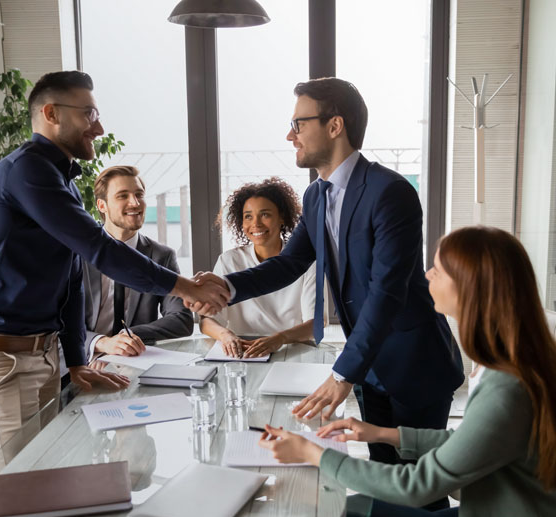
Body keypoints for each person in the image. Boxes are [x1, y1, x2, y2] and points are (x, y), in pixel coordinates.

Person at [193, 78, 464, 471]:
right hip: (370, 367)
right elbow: (289, 263)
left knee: (422, 490)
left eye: (299, 124)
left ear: (335, 126)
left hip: (413, 365)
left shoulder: (390, 191)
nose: (291, 135)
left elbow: (386, 293)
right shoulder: (316, 196)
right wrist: (225, 287)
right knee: (383, 477)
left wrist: (342, 374)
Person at [0, 70, 227, 459]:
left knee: (49, 475)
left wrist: (77, 361)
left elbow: (69, 279)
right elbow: (100, 248)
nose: (98, 128)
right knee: (17, 492)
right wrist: (187, 288)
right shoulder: (28, 171)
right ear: (51, 113)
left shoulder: (59, 179)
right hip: (4, 361)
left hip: (42, 356)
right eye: (89, 114)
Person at [257, 226, 556, 517]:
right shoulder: (516, 363)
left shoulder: (508, 387)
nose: (427, 275)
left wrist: (312, 453)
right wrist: (382, 433)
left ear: (471, 288)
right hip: (499, 512)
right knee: (351, 510)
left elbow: (415, 486)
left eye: (438, 270)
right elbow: (467, 446)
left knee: (345, 516)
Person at [82, 165, 193, 369]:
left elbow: (181, 319)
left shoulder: (162, 256)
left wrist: (128, 337)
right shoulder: (78, 253)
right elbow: (58, 323)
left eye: (139, 195)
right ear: (102, 205)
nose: (134, 203)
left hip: (134, 364)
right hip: (82, 361)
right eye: (122, 196)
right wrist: (102, 343)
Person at [200, 177, 319, 358]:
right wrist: (225, 335)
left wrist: (278, 339)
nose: (255, 223)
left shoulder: (306, 261)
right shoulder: (229, 260)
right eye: (248, 216)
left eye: (265, 214)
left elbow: (316, 324)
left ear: (282, 218)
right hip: (242, 354)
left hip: (291, 352)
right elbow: (208, 321)